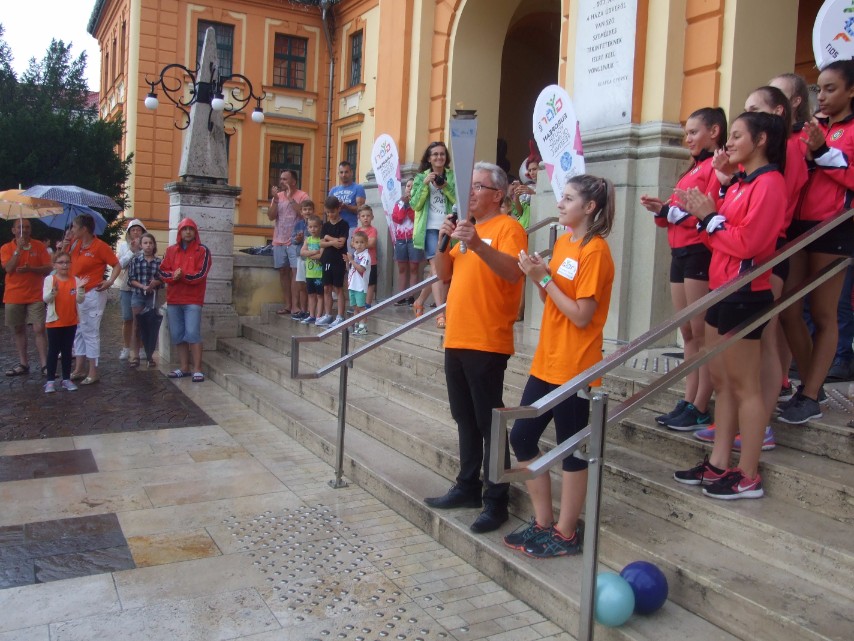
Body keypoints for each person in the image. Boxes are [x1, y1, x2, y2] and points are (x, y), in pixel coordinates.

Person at [674, 111, 787, 500]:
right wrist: (708, 215)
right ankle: (720, 462)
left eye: (737, 136)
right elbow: (716, 239)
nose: (730, 143)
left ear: (761, 140)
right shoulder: (740, 183)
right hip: (722, 289)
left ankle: (749, 473)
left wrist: (710, 218)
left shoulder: (770, 183)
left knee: (745, 387)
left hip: (745, 292)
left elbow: (748, 243)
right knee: (722, 382)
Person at [506, 174, 615, 558]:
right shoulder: (565, 242)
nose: (560, 204)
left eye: (568, 198)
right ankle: (543, 522)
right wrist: (538, 276)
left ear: (589, 207)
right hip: (548, 360)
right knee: (521, 437)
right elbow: (553, 298)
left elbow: (582, 315)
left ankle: (566, 533)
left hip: (577, 366)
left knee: (572, 450)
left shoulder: (595, 251)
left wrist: (545, 278)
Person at [423, 162, 527, 533]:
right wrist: (443, 239)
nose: (469, 193)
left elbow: (513, 272)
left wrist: (478, 244)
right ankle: (467, 485)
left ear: (497, 194)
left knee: (489, 421)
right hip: (457, 335)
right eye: (469, 187)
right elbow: (443, 274)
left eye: (477, 187)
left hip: (487, 338)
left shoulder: (508, 227)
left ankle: (496, 498)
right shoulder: (467, 228)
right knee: (464, 417)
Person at [640, 108, 726, 431]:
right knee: (687, 331)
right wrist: (662, 209)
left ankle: (701, 404)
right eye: (686, 133)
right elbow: (678, 210)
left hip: (699, 252)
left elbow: (711, 211)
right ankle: (689, 399)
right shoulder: (693, 167)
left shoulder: (716, 166)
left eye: (693, 132)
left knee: (702, 333)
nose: (687, 138)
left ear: (714, 131)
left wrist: (673, 213)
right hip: (679, 251)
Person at [778, 60, 854, 424]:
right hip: (798, 227)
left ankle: (809, 395)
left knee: (824, 314)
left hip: (834, 228)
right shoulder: (813, 126)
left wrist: (822, 152)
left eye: (830, 89)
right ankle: (813, 384)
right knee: (789, 311)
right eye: (818, 89)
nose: (821, 96)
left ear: (851, 91)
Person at [67, 213, 121, 385]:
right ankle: (79, 368)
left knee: (90, 332)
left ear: (84, 229)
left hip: (92, 293)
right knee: (78, 331)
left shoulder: (100, 246)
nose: (72, 230)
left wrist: (110, 281)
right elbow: (64, 263)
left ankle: (93, 371)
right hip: (77, 293)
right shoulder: (75, 244)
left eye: (74, 227)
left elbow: (116, 265)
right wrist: (65, 246)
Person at [159, 218, 212, 382]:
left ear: (195, 232)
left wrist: (182, 276)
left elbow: (201, 274)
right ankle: (184, 367)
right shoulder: (170, 250)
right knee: (177, 334)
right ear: (180, 232)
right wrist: (173, 276)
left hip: (193, 299)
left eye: (191, 229)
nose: (188, 232)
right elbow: (162, 271)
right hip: (174, 299)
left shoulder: (202, 251)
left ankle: (197, 368)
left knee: (192, 333)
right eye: (184, 229)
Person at [410, 141, 456, 328]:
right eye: (435, 154)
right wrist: (424, 185)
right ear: (429, 158)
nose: (439, 157)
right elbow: (415, 204)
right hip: (429, 229)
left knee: (442, 271)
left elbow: (459, 200)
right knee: (437, 270)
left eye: (442, 154)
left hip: (449, 227)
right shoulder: (421, 177)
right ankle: (440, 313)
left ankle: (419, 301)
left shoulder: (451, 176)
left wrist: (445, 186)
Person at [1, 218, 52, 376]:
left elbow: (48, 268)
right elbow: (9, 268)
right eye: (20, 227)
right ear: (13, 230)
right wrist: (18, 249)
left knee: (39, 328)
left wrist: (32, 269)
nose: (24, 230)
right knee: (18, 329)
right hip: (14, 295)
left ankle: (45, 365)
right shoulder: (6, 248)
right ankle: (23, 364)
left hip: (35, 294)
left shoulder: (39, 246)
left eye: (27, 227)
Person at [42, 252, 86, 392]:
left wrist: (81, 288)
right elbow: (46, 299)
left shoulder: (75, 280)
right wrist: (53, 292)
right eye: (61, 262)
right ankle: (50, 381)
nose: (64, 265)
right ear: (55, 265)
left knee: (67, 351)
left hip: (71, 321)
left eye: (67, 262)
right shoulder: (50, 279)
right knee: (53, 351)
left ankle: (66, 379)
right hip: (54, 321)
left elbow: (80, 300)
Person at [268, 169, 309, 316]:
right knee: (283, 272)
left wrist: (291, 198)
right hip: (278, 240)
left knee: (295, 272)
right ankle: (287, 304)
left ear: (293, 181)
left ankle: (296, 306)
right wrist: (275, 200)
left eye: (285, 179)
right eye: (281, 179)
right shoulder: (278, 196)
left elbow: (304, 214)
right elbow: (271, 216)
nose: (282, 182)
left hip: (295, 241)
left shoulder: (302, 195)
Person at [127, 232, 163, 368]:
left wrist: (155, 283)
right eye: (145, 243)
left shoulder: (159, 262)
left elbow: (162, 279)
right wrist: (143, 286)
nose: (148, 245)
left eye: (150, 243)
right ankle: (135, 355)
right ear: (141, 245)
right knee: (136, 325)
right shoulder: (135, 260)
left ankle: (149, 355)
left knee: (151, 326)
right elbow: (131, 279)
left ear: (154, 245)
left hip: (152, 297)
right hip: (138, 295)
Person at [116, 219, 146, 361]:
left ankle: (141, 348)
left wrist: (140, 249)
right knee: (127, 318)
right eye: (133, 230)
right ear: (129, 232)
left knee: (140, 320)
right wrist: (131, 251)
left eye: (138, 230)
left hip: (141, 286)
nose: (135, 232)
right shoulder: (124, 246)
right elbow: (120, 264)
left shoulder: (147, 244)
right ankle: (126, 347)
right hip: (127, 286)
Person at [316, 196, 349, 327]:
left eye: (333, 212)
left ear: (338, 209)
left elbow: (341, 243)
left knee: (338, 288)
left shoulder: (344, 224)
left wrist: (328, 238)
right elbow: (321, 244)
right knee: (326, 288)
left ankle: (340, 316)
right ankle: (328, 314)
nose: (330, 215)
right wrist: (331, 242)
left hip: (338, 260)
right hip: (327, 260)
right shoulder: (325, 226)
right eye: (328, 212)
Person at [391, 178, 424, 306]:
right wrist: (404, 205)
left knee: (414, 268)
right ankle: (401, 296)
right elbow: (398, 219)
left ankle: (411, 296)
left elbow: (414, 218)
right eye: (408, 186)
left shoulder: (418, 202)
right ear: (405, 188)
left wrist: (409, 205)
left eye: (413, 186)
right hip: (400, 239)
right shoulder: (399, 202)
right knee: (402, 269)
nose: (410, 188)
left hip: (413, 239)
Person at [328, 160, 366, 235]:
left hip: (351, 227)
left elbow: (361, 210)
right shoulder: (333, 190)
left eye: (346, 172)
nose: (344, 175)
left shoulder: (358, 188)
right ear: (338, 174)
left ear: (351, 173)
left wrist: (346, 206)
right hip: (334, 227)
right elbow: (327, 210)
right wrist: (336, 207)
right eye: (341, 172)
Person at [290, 199, 313, 321]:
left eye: (309, 209)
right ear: (301, 212)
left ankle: (311, 311)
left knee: (311, 286)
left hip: (312, 259)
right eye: (305, 209)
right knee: (301, 286)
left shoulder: (317, 223)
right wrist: (297, 239)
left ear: (313, 210)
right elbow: (292, 240)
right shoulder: (298, 224)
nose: (307, 211)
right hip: (301, 258)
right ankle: (303, 311)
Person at [345, 230, 371, 335]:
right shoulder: (355, 255)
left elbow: (361, 269)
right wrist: (347, 262)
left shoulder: (366, 256)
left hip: (360, 286)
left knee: (361, 307)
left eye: (362, 242)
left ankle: (363, 326)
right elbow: (349, 269)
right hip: (352, 285)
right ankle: (356, 324)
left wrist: (351, 261)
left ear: (366, 243)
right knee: (355, 307)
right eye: (357, 242)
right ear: (353, 244)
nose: (359, 245)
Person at [300, 215, 324, 324]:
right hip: (309, 274)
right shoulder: (308, 240)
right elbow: (302, 252)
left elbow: (321, 256)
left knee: (320, 295)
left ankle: (319, 316)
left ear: (320, 227)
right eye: (310, 227)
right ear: (308, 228)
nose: (313, 229)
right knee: (311, 295)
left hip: (319, 274)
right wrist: (314, 252)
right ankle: (312, 315)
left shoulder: (322, 240)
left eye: (315, 226)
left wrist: (309, 254)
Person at [356, 205, 378, 306]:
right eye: (363, 216)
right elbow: (352, 244)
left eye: (368, 216)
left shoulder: (373, 230)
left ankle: (367, 304)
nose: (366, 218)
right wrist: (364, 243)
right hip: (359, 262)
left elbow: (372, 243)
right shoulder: (357, 231)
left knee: (370, 283)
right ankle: (359, 303)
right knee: (359, 283)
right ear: (359, 217)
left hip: (371, 261)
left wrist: (359, 243)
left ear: (372, 217)